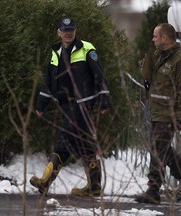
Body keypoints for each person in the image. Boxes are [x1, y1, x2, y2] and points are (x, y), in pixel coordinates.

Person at [30, 17, 110, 196]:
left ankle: (45, 181)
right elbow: (49, 82)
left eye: (71, 30)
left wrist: (104, 100)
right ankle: (95, 186)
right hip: (66, 106)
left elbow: (99, 75)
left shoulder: (87, 49)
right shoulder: (55, 52)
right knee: (85, 145)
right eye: (65, 30)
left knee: (63, 143)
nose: (68, 33)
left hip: (82, 105)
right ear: (58, 32)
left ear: (75, 31)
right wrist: (41, 105)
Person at [135, 23, 181, 204]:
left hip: (170, 114)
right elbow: (151, 81)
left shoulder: (180, 60)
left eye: (155, 36)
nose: (153, 39)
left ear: (165, 38)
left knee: (158, 150)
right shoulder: (158, 57)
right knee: (164, 150)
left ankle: (153, 190)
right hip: (156, 112)